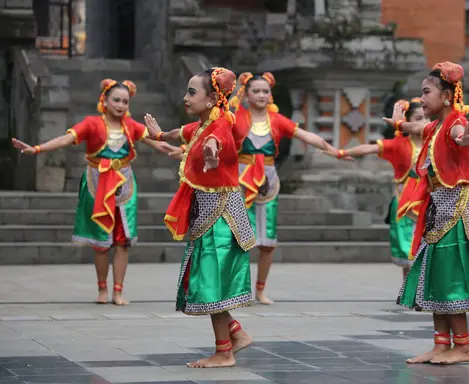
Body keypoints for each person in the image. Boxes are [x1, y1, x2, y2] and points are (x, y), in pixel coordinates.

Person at [12, 79, 171, 305]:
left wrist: (187, 150)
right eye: (116, 100)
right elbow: (67, 138)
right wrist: (37, 148)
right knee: (100, 241)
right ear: (104, 100)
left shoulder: (132, 126)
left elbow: (161, 145)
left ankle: (118, 290)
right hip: (97, 182)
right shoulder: (92, 123)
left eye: (125, 101)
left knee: (123, 241)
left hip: (125, 185)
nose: (120, 105)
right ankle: (102, 288)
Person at [144, 68, 255, 368]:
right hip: (210, 216)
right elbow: (184, 131)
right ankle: (236, 335)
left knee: (210, 283)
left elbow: (215, 142)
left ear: (210, 99)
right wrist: (159, 135)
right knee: (208, 282)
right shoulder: (205, 123)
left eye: (192, 92)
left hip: (220, 217)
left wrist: (211, 153)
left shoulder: (218, 127)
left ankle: (224, 352)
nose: (186, 97)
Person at [384, 62, 469, 365]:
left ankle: (464, 346)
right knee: (432, 275)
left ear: (445, 95)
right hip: (438, 208)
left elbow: (459, 135)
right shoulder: (435, 126)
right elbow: (417, 127)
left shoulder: (456, 122)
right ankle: (441, 344)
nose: (422, 98)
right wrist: (398, 125)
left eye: (426, 92)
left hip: (457, 210)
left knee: (449, 276)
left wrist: (464, 140)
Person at [228, 72, 336, 305]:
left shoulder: (276, 120)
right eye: (256, 90)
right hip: (241, 181)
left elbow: (304, 134)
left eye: (265, 91)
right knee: (240, 240)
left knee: (267, 242)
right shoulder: (235, 118)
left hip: (268, 182)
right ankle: (239, 290)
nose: (261, 95)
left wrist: (332, 149)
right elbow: (212, 133)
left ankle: (260, 290)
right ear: (246, 94)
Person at [323, 98, 428, 277]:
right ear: (406, 122)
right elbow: (369, 148)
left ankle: (429, 292)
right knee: (407, 249)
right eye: (418, 118)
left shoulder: (436, 143)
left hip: (431, 200)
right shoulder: (399, 145)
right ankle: (410, 293)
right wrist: (342, 153)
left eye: (427, 118)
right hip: (405, 203)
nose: (423, 123)